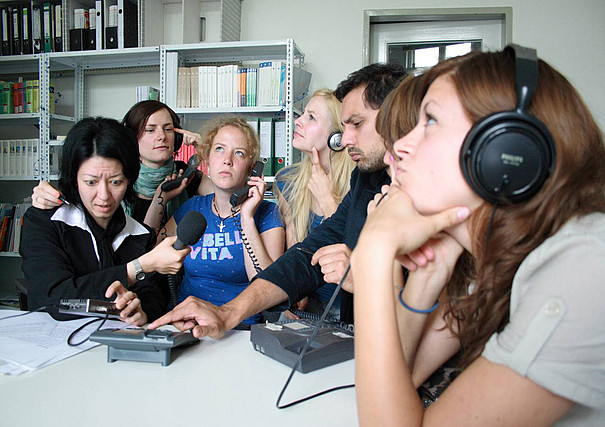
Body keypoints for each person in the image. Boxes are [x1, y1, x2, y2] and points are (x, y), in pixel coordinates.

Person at [350, 46, 605, 425]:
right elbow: (398, 382)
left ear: (505, 150)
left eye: (430, 121)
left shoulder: (584, 264)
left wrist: (372, 254)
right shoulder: (497, 257)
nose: (399, 149)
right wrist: (429, 272)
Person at [149, 63, 409, 336]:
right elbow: (304, 258)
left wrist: (370, 280)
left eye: (357, 123)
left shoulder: (434, 196)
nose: (344, 139)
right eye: (344, 127)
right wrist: (227, 313)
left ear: (397, 117)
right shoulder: (366, 179)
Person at [20, 117, 190, 325]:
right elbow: (53, 298)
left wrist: (141, 313)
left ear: (129, 180)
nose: (104, 195)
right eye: (91, 182)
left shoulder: (141, 236)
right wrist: (137, 267)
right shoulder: (45, 222)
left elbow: (153, 299)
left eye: (115, 182)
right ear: (74, 179)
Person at [145, 116, 285, 325]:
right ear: (207, 158)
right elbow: (150, 254)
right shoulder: (192, 208)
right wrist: (161, 199)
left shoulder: (268, 213)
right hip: (186, 323)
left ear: (251, 168)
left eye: (239, 153)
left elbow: (267, 287)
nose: (227, 160)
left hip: (239, 329)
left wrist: (246, 217)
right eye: (219, 149)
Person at [30, 100, 213, 226]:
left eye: (168, 129)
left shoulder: (185, 173)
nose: (161, 137)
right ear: (132, 138)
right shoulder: (117, 175)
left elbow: (230, 197)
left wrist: (208, 153)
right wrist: (42, 198)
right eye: (150, 130)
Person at [274, 88, 354, 318]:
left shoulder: (358, 183)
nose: (298, 121)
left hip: (351, 306)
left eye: (311, 117)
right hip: (310, 307)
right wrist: (295, 292)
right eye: (303, 115)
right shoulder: (287, 181)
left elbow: (356, 251)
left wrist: (327, 200)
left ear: (337, 138)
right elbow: (296, 247)